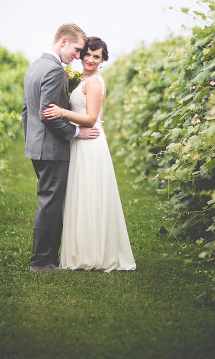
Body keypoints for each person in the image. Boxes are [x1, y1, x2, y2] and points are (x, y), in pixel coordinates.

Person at [43, 37, 137, 272]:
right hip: (81, 141)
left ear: (103, 59)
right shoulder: (83, 79)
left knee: (90, 195)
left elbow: (91, 118)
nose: (91, 60)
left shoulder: (94, 82)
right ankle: (82, 251)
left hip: (90, 143)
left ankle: (93, 253)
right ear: (82, 54)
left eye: (97, 56)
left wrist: (61, 112)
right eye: (88, 54)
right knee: (81, 195)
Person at [22, 24, 101, 272]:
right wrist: (76, 132)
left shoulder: (35, 66)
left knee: (50, 202)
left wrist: (32, 140)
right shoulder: (55, 71)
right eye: (77, 50)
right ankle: (41, 261)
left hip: (38, 145)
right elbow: (48, 114)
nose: (78, 56)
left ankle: (50, 259)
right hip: (52, 148)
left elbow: (27, 111)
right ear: (64, 42)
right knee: (50, 205)